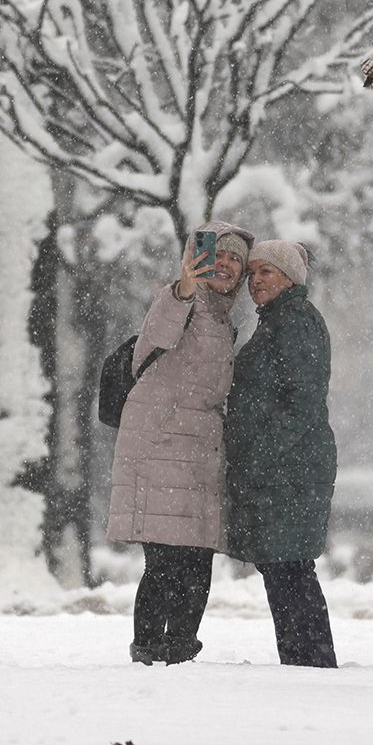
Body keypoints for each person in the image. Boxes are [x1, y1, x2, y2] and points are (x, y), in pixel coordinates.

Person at [107, 220, 255, 665]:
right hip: (161, 447)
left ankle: (180, 648)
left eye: (236, 260)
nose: (226, 265)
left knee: (197, 560)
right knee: (167, 559)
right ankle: (151, 648)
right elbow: (161, 330)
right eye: (219, 255)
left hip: (199, 452)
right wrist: (185, 284)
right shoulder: (181, 300)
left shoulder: (226, 318)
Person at [224, 239, 339, 668]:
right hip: (283, 469)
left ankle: (312, 665)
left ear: (290, 277)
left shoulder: (295, 323)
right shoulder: (277, 321)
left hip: (290, 471)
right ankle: (305, 663)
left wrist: (258, 456)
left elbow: (302, 403)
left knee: (290, 570)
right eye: (252, 274)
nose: (255, 281)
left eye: (265, 272)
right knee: (284, 569)